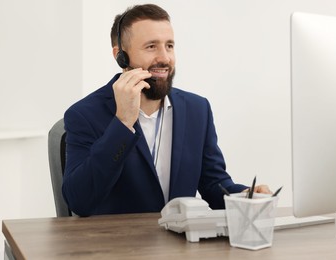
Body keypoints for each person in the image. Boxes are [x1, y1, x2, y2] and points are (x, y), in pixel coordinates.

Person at [62, 4, 271, 217]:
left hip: (180, 243)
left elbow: (213, 183)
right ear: (120, 56)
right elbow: (80, 201)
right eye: (151, 46)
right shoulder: (84, 115)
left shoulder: (197, 110)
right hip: (120, 245)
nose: (165, 58)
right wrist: (122, 123)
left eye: (169, 46)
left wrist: (245, 196)